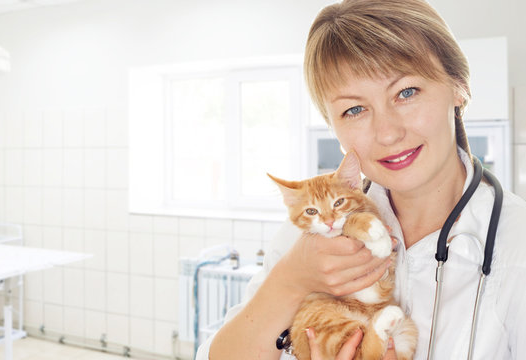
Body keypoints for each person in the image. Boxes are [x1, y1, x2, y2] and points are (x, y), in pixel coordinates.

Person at [196, 0, 526, 359]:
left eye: (407, 92)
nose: (387, 133)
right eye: (354, 109)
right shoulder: (307, 237)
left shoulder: (516, 244)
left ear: (459, 87)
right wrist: (291, 280)